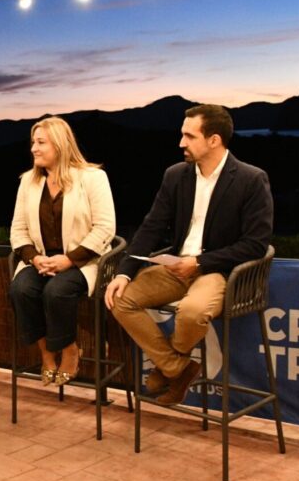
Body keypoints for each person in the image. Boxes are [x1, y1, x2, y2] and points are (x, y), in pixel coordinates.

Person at [105, 104, 273, 406]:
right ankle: (179, 368)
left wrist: (199, 262)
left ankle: (171, 368)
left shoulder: (251, 179)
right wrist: (123, 273)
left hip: (218, 272)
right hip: (175, 267)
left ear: (214, 140)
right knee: (119, 299)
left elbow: (256, 244)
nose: (181, 143)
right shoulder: (176, 176)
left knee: (192, 312)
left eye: (189, 136)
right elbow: (151, 228)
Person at [8, 117, 116, 386]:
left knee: (56, 291)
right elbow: (17, 231)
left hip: (83, 261)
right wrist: (35, 258)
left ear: (60, 144)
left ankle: (69, 350)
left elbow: (105, 228)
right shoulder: (27, 182)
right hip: (41, 260)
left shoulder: (93, 178)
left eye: (41, 142)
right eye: (33, 142)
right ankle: (47, 354)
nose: (34, 148)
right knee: (20, 290)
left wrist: (69, 259)